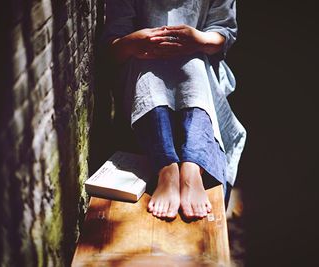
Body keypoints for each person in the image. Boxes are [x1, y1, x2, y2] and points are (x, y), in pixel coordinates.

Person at [102, 0, 246, 220]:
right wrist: (133, 43)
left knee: (194, 66)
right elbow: (113, 47)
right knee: (148, 72)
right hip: (141, 68)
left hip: (201, 67)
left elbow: (224, 31)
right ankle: (167, 168)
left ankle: (192, 169)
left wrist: (199, 41)